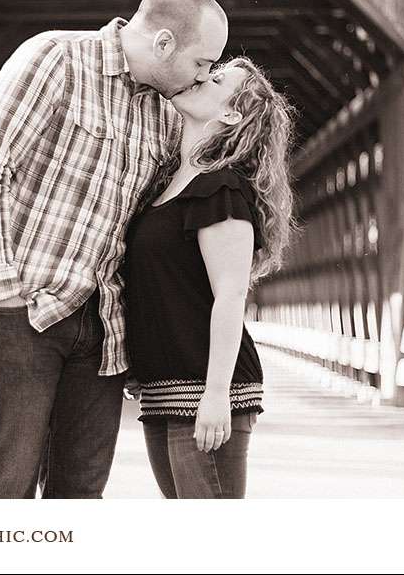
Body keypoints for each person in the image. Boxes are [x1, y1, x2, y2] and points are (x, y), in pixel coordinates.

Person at [0, 0, 228, 498]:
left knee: (79, 495)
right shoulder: (55, 59)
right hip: (20, 309)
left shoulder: (166, 115)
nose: (205, 75)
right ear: (164, 43)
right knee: (5, 488)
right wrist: (1, 292)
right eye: (201, 62)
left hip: (100, 331)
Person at [121, 56, 297, 498]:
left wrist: (215, 394)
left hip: (208, 392)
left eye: (216, 79)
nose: (200, 76)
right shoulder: (165, 184)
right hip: (163, 388)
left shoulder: (221, 189)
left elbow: (231, 295)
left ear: (231, 113)